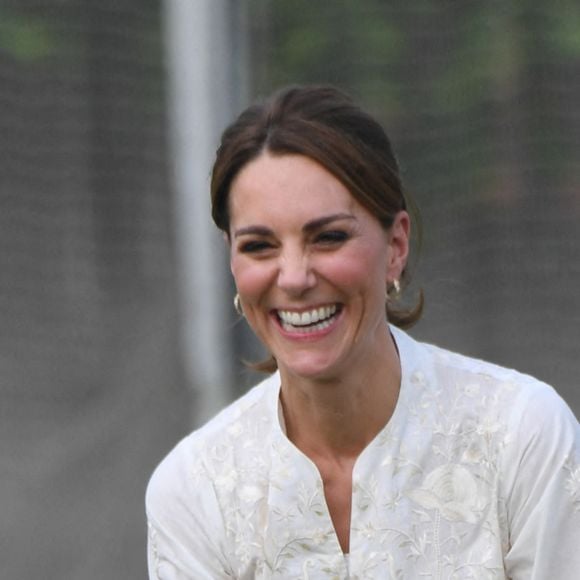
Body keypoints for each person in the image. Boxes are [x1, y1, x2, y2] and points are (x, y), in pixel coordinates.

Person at [146, 85, 580, 579]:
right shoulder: (195, 489)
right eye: (260, 245)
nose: (293, 277)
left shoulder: (520, 438)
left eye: (328, 237)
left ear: (395, 245)